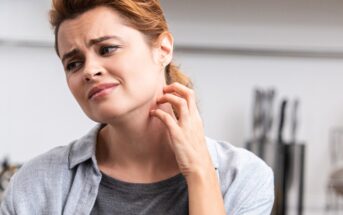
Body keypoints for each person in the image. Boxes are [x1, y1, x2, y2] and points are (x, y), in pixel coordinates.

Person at [0, 0, 274, 214]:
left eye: (107, 49)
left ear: (163, 49)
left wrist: (200, 171)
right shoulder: (35, 185)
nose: (89, 70)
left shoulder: (243, 177)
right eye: (74, 63)